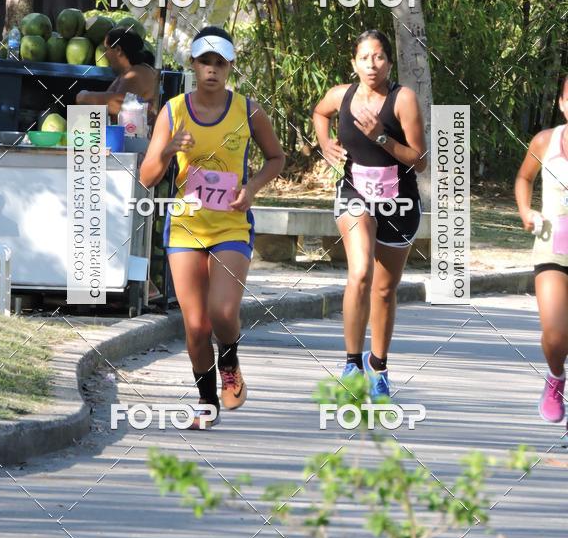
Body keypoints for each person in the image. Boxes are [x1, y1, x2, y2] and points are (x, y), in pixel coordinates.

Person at [140, 26, 285, 428]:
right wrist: (168, 149)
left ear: (230, 67)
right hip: (185, 227)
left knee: (222, 312)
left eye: (220, 63)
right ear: (193, 64)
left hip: (230, 226)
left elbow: (276, 158)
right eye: (205, 61)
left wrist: (252, 188)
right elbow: (147, 177)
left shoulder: (248, 110)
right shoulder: (173, 111)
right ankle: (207, 403)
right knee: (196, 325)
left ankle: (231, 361)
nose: (212, 70)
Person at [313, 29, 427, 398]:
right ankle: (351, 363)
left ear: (389, 62)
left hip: (400, 202)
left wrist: (382, 137)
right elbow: (319, 111)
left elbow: (420, 161)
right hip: (355, 194)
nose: (372, 64)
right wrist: (325, 143)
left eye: (378, 57)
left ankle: (378, 366)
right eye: (364, 58)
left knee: (383, 289)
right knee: (360, 272)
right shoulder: (340, 95)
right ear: (354, 64)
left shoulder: (402, 99)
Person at [515, 75, 568, 428]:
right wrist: (525, 212)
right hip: (554, 243)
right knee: (554, 332)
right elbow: (523, 179)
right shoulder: (545, 141)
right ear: (563, 103)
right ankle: (555, 378)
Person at [76, 28, 158, 120]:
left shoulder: (137, 73)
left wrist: (84, 96)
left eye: (106, 49)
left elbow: (121, 105)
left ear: (118, 50)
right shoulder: (126, 73)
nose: (105, 54)